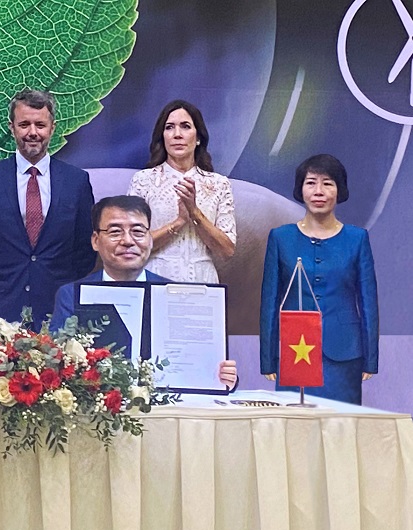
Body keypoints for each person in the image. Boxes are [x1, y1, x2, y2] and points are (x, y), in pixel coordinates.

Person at [52, 195, 238, 389]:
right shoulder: (71, 295)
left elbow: (201, 367)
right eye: (115, 232)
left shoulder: (177, 296)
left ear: (150, 239)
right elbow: (56, 365)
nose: (127, 241)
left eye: (138, 232)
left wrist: (222, 377)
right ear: (96, 241)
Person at [0, 89, 96, 328]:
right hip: (4, 305)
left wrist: (60, 283)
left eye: (40, 125)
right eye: (24, 124)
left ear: (52, 128)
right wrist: (2, 279)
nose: (32, 133)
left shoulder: (76, 182)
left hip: (58, 307)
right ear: (11, 127)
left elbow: (85, 248)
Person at [260, 154, 378, 404]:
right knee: (295, 431)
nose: (319, 191)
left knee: (341, 430)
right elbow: (270, 302)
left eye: (328, 183)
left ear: (339, 190)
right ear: (300, 189)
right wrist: (268, 359)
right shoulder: (281, 238)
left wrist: (371, 358)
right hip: (294, 351)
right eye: (311, 182)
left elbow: (368, 303)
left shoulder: (357, 239)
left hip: (344, 355)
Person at [129, 99, 236, 283]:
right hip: (156, 277)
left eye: (185, 126)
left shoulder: (219, 184)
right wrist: (179, 222)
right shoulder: (144, 181)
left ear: (199, 137)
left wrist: (195, 213)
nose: (177, 134)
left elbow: (226, 251)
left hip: (203, 281)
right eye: (169, 127)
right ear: (162, 137)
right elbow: (134, 245)